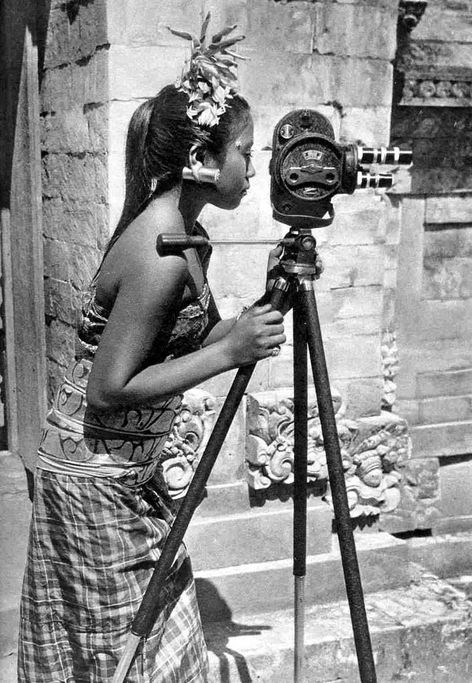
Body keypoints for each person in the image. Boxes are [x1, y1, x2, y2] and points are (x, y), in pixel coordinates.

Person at [18, 16, 285, 683]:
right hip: (94, 481)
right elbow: (111, 386)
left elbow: (213, 335)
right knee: (121, 656)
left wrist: (272, 300)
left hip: (126, 475)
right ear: (200, 160)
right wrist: (229, 355)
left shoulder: (189, 240)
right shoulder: (159, 251)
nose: (252, 169)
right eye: (244, 151)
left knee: (158, 642)